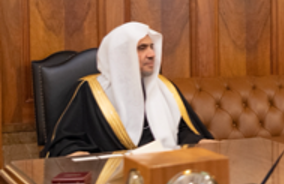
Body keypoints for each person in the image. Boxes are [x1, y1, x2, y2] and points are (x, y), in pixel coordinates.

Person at [45, 22, 212, 157]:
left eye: (152, 47)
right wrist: (80, 156)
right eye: (142, 48)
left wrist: (201, 142)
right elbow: (67, 141)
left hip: (165, 169)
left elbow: (183, 130)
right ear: (121, 54)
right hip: (113, 179)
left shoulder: (164, 87)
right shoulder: (91, 91)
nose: (152, 54)